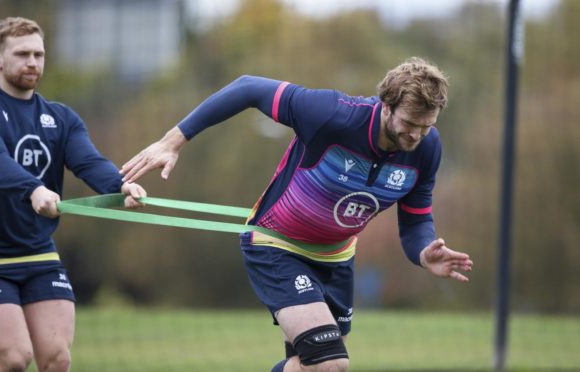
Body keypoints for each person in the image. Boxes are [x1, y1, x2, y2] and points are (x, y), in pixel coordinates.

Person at [121, 58, 473, 372]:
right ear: (386, 105)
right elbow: (247, 87)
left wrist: (425, 252)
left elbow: (415, 221)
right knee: (331, 363)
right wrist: (172, 141)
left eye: (426, 126)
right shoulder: (332, 114)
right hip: (277, 246)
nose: (416, 134)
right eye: (410, 122)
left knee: (309, 366)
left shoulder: (427, 149)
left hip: (337, 259)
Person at [0, 17, 146, 372]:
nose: (33, 62)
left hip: (38, 255)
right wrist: (33, 189)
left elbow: (89, 161)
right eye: (22, 54)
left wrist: (119, 185)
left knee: (57, 359)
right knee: (15, 359)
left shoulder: (60, 118)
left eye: (38, 54)